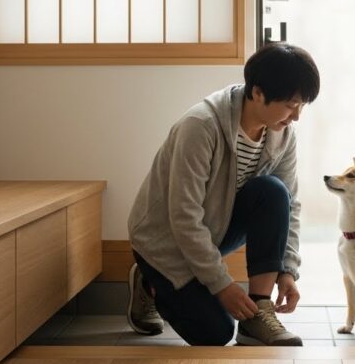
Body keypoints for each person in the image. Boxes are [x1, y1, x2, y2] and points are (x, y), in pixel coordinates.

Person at [127, 43, 320, 346]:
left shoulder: (282, 133)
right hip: (162, 241)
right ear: (258, 93)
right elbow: (184, 216)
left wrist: (288, 271)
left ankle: (260, 313)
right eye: (290, 104)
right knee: (215, 333)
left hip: (215, 227)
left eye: (302, 106)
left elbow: (290, 206)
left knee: (273, 192)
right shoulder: (201, 127)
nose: (295, 116)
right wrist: (221, 285)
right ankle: (151, 283)